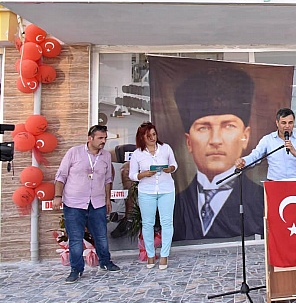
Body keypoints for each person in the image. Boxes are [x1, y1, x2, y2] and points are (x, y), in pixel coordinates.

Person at [172, 68, 264, 240]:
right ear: (189, 142)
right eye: (203, 128)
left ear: (245, 136)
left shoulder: (260, 199)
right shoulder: (177, 204)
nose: (215, 140)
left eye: (228, 126)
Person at [53, 125, 121, 283]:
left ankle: (105, 262)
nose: (103, 141)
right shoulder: (74, 152)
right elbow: (61, 176)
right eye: (100, 138)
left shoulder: (106, 156)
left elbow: (108, 180)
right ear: (90, 138)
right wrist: (57, 196)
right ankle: (76, 270)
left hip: (97, 202)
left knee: (101, 236)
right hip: (74, 203)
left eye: (105, 138)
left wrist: (107, 199)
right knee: (76, 238)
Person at [129, 122, 178, 269]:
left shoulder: (165, 148)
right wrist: (143, 174)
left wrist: (170, 169)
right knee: (147, 224)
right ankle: (150, 255)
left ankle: (164, 255)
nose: (152, 138)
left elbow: (174, 165)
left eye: (154, 134)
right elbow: (132, 175)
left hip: (166, 189)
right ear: (142, 137)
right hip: (146, 191)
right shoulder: (137, 153)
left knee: (167, 223)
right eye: (148, 136)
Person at [236, 108, 296, 181]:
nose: (287, 126)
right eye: (283, 123)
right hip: (275, 184)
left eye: (290, 122)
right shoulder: (268, 140)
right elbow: (255, 156)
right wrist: (244, 161)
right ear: (277, 123)